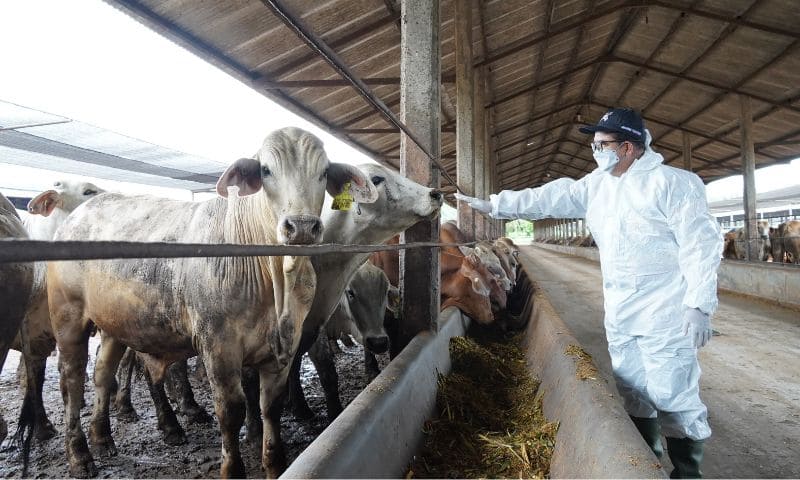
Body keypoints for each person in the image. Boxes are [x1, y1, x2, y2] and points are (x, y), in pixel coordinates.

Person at [456, 108, 722, 478]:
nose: (594, 151)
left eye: (601, 144)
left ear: (627, 147)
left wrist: (699, 305)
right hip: (621, 310)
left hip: (667, 312)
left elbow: (701, 245)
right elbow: (550, 197)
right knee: (632, 388)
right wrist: (497, 204)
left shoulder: (674, 183)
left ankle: (687, 472)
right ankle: (645, 461)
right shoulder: (598, 185)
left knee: (672, 394)